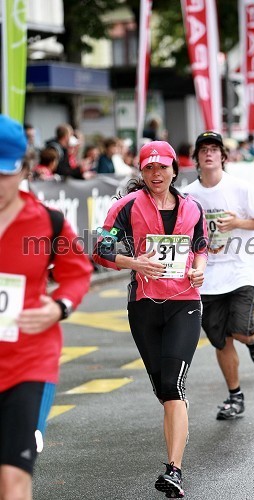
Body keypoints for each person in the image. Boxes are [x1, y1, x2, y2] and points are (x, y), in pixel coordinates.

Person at [93, 140, 207, 498]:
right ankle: (178, 425)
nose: (156, 175)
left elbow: (201, 245)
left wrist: (199, 271)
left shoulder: (193, 207)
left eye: (162, 168)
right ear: (141, 173)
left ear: (175, 169)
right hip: (143, 305)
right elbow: (101, 247)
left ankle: (174, 470)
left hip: (185, 303)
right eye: (149, 168)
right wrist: (135, 263)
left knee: (174, 386)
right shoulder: (125, 206)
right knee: (164, 390)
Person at [0, 114, 92, 499]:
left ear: (22, 169)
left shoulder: (47, 222)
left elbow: (76, 272)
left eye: (4, 173)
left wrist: (59, 307)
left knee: (14, 474)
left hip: (27, 361)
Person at [184, 131, 254, 420]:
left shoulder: (240, 188)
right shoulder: (188, 195)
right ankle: (235, 396)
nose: (209, 153)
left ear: (223, 156)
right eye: (203, 149)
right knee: (220, 340)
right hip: (207, 277)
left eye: (214, 149)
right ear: (196, 158)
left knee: (240, 329)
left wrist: (237, 222)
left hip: (240, 269)